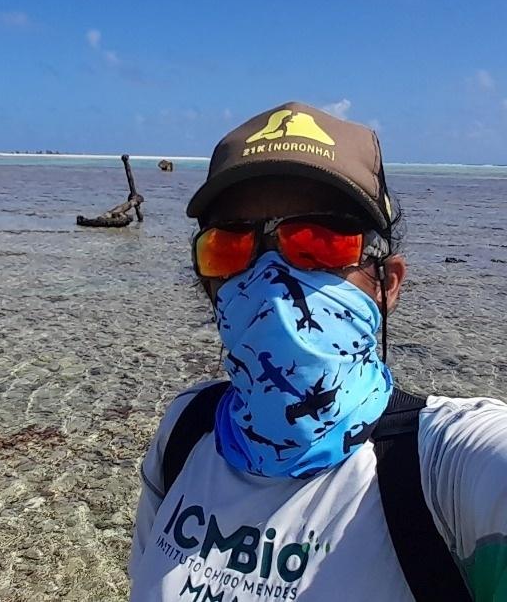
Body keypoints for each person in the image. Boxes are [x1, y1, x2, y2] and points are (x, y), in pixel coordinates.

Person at [128, 102, 507, 601]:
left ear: (386, 283)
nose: (270, 282)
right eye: (230, 245)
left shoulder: (448, 470)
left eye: (320, 243)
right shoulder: (186, 429)